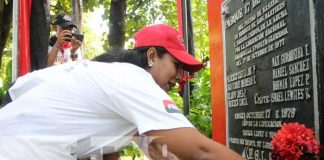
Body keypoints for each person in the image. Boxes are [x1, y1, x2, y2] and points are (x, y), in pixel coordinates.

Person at [0, 24, 244, 160]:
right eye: (177, 65)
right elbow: (201, 151)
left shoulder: (108, 75)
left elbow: (157, 151)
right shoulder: (134, 80)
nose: (181, 76)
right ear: (151, 56)